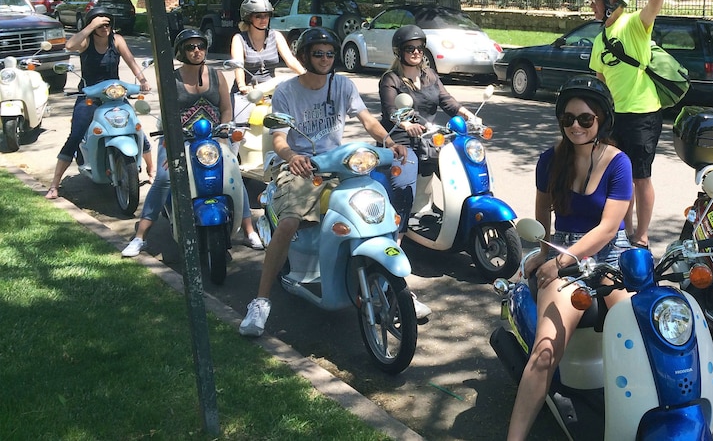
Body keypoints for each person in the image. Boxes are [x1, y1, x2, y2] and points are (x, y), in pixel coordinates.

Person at [239, 27, 408, 337]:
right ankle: (261, 301)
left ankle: (395, 287)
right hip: (302, 166)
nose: (326, 58)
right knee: (290, 222)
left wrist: (388, 140)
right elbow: (278, 137)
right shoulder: (287, 91)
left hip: (340, 165)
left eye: (330, 53)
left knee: (378, 207)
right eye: (319, 53)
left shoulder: (343, 85)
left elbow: (367, 119)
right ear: (305, 56)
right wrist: (292, 156)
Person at [506, 76, 633, 441]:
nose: (575, 126)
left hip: (610, 253)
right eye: (568, 118)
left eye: (585, 119)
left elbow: (609, 228)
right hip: (564, 251)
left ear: (602, 120)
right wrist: (543, 252)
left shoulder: (618, 163)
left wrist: (558, 261)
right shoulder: (550, 160)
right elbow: (542, 216)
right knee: (545, 352)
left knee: (640, 337)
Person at [120, 30, 264, 258]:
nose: (197, 50)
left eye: (200, 46)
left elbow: (226, 109)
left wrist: (223, 132)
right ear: (181, 52)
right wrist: (173, 138)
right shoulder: (171, 79)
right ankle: (141, 236)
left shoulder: (217, 76)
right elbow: (168, 115)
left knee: (234, 174)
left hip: (213, 140)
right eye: (190, 47)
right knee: (164, 178)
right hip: (180, 139)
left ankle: (248, 229)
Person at [377, 25, 477, 319]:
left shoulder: (430, 75)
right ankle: (396, 240)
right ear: (400, 52)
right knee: (404, 196)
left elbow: (447, 102)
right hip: (403, 142)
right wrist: (404, 123)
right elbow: (388, 112)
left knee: (462, 176)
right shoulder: (391, 79)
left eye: (420, 48)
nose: (416, 53)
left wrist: (469, 115)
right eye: (410, 49)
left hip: (432, 139)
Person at [583, 0, 675, 250]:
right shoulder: (600, 40)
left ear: (612, 1)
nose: (591, 5)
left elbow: (651, 10)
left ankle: (642, 235)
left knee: (640, 176)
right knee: (620, 175)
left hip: (643, 113)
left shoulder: (633, 25)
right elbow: (600, 82)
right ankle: (627, 229)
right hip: (615, 116)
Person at [46, 7, 154, 200]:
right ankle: (54, 184)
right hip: (90, 94)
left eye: (107, 24)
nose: (105, 28)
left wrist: (143, 80)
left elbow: (131, 61)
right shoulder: (86, 41)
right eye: (100, 24)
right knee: (76, 133)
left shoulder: (117, 40)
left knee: (136, 128)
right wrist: (89, 27)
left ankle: (151, 170)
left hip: (115, 94)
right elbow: (70, 45)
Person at [230, 0, 306, 99]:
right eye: (258, 16)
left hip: (270, 92)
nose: (264, 19)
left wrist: (306, 76)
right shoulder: (239, 39)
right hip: (247, 93)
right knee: (242, 115)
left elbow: (290, 60)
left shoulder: (275, 36)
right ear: (248, 17)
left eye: (266, 15)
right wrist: (242, 85)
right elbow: (238, 65)